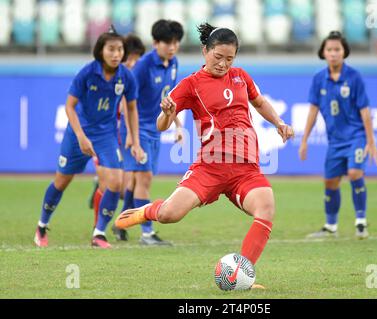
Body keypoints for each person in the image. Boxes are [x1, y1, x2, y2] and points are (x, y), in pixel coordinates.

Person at [114, 22, 294, 281]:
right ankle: (146, 211)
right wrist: (167, 114)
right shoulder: (191, 84)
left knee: (266, 208)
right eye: (218, 57)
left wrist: (279, 123)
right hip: (210, 167)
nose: (223, 64)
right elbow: (160, 124)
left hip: (246, 169)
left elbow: (260, 102)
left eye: (229, 59)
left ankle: (240, 275)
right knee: (169, 215)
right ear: (204, 51)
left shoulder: (241, 76)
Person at [34, 27, 144, 248]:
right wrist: (81, 137)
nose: (116, 54)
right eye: (111, 49)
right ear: (100, 51)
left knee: (115, 181)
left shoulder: (126, 77)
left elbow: (132, 109)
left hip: (106, 135)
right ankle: (42, 225)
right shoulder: (87, 73)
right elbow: (70, 106)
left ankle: (99, 233)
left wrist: (135, 141)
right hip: (78, 134)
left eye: (120, 49)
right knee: (62, 181)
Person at [299, 31, 377, 239]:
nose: (333, 53)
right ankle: (331, 227)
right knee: (330, 182)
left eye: (337, 49)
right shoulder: (319, 78)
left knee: (355, 174)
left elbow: (365, 111)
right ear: (323, 52)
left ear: (344, 52)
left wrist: (371, 141)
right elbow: (313, 110)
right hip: (334, 141)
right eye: (329, 49)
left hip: (356, 136)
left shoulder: (354, 77)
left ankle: (361, 222)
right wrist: (304, 139)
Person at [112, 20, 185, 245]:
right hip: (138, 128)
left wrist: (178, 125)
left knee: (135, 183)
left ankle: (120, 224)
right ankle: (147, 233)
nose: (172, 47)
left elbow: (169, 100)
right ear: (155, 43)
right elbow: (126, 100)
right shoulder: (143, 66)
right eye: (167, 43)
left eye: (176, 43)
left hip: (155, 129)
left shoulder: (173, 64)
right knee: (144, 179)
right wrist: (132, 138)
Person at [89, 34, 146, 229]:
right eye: (129, 58)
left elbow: (131, 108)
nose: (132, 63)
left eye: (136, 59)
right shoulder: (108, 76)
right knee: (111, 185)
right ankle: (99, 230)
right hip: (103, 135)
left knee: (126, 185)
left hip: (119, 135)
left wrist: (132, 135)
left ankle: (118, 225)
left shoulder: (129, 78)